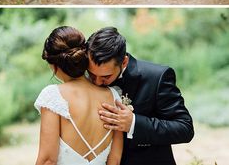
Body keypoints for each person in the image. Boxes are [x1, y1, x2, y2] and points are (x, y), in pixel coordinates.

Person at [87, 27, 194, 165]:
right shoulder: (82, 80)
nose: (96, 82)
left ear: (124, 62)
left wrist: (134, 123)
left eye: (105, 76)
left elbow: (185, 129)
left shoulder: (157, 77)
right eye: (92, 74)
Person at [34, 26, 123, 165]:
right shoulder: (113, 96)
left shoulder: (53, 95)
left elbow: (47, 160)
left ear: (54, 65)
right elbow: (115, 161)